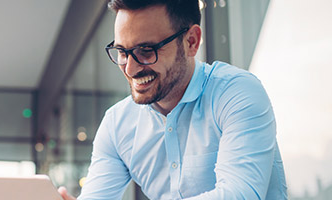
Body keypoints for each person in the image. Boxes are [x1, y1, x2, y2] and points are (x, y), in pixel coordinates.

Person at [57, 0, 287, 199]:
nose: (130, 68)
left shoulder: (236, 93)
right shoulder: (117, 125)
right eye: (123, 52)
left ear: (191, 42)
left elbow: (239, 195)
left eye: (146, 51)